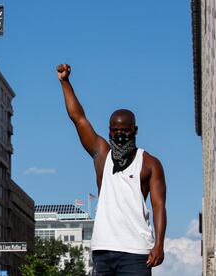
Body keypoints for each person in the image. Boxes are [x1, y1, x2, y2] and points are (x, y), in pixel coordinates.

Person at [57, 64, 166, 275]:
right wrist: (65, 82)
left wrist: (159, 244)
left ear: (135, 130)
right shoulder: (102, 155)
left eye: (125, 130)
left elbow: (159, 205)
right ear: (109, 131)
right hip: (103, 249)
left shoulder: (150, 163)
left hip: (135, 251)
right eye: (115, 131)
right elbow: (78, 118)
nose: (119, 135)